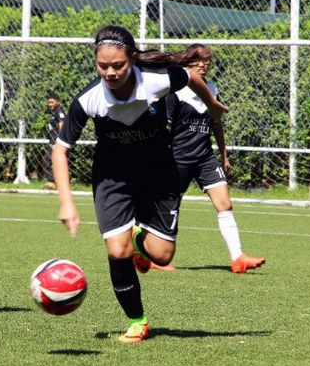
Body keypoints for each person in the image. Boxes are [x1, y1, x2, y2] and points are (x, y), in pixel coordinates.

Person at [52, 25, 228, 343]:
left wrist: (212, 105)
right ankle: (137, 321)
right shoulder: (89, 99)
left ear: (132, 59)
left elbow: (190, 78)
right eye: (102, 65)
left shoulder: (156, 80)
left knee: (162, 256)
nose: (110, 72)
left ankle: (139, 238)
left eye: (117, 65)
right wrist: (66, 202)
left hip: (158, 171)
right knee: (116, 250)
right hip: (113, 177)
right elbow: (60, 149)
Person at [164, 44, 265, 274]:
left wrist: (224, 155)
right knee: (170, 207)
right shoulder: (175, 91)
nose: (202, 65)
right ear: (187, 62)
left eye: (206, 61)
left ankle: (237, 257)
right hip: (177, 158)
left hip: (205, 158)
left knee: (225, 204)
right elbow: (164, 128)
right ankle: (153, 257)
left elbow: (217, 123)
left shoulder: (212, 88)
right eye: (197, 60)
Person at [40, 93, 64, 190]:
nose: (50, 104)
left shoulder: (59, 112)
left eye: (52, 102)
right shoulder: (53, 113)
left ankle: (52, 182)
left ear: (58, 102)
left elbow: (62, 126)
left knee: (46, 161)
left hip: (56, 142)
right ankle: (57, 182)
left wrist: (59, 141)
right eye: (48, 102)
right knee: (52, 161)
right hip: (52, 142)